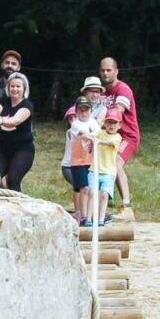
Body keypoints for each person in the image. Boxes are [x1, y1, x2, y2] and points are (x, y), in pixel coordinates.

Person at [98, 57, 140, 209]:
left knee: (115, 162)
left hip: (127, 136)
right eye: (103, 70)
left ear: (116, 71)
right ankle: (104, 200)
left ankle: (126, 205)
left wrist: (98, 122)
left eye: (109, 70)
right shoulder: (100, 92)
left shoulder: (123, 89)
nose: (105, 73)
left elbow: (118, 111)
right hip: (107, 135)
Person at [60, 96, 100, 224]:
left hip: (91, 161)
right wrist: (94, 138)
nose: (84, 113)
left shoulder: (94, 123)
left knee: (91, 189)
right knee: (84, 188)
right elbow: (83, 134)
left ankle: (90, 215)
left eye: (86, 110)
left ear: (91, 111)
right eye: (81, 110)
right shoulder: (75, 124)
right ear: (76, 112)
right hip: (78, 163)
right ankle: (83, 215)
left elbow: (99, 133)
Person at [0, 72, 34, 192]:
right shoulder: (3, 101)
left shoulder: (27, 105)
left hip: (23, 149)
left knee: (12, 179)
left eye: (18, 86)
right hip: (2, 148)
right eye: (12, 86)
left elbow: (14, 121)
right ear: (8, 87)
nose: (15, 89)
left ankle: (17, 202)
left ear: (24, 89)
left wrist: (1, 120)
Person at [85, 108, 124, 227]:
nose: (111, 125)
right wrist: (86, 136)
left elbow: (109, 143)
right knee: (92, 193)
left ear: (119, 125)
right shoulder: (100, 133)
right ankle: (88, 219)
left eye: (114, 123)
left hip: (108, 172)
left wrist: (97, 141)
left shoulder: (117, 137)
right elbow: (89, 135)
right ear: (104, 123)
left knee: (104, 195)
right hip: (94, 170)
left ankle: (101, 219)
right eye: (109, 122)